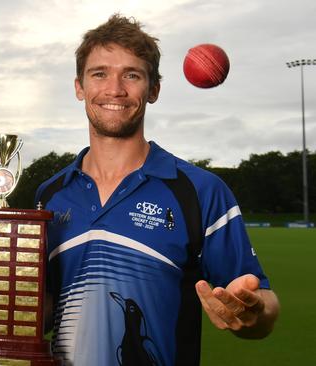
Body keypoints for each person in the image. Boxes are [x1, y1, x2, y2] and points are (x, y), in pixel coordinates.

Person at [35, 14, 279, 366]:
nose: (115, 89)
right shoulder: (50, 194)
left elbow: (263, 303)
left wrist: (253, 313)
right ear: (79, 87)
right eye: (99, 73)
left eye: (131, 75)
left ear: (153, 90)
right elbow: (43, 308)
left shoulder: (201, 191)